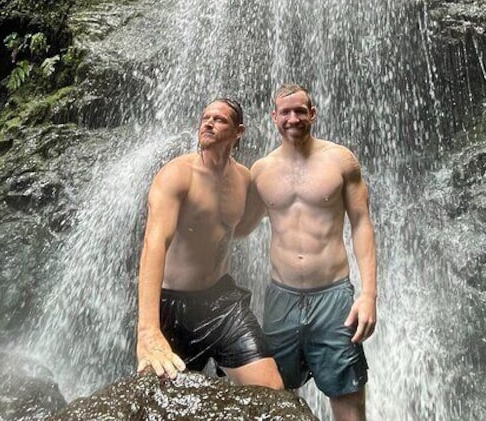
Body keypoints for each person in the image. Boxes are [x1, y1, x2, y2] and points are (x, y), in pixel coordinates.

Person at [236, 84, 377, 421]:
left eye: (300, 111)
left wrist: (369, 295)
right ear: (274, 118)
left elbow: (361, 225)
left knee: (347, 396)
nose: (293, 118)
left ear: (313, 113)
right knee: (277, 398)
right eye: (285, 112)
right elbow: (239, 228)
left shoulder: (341, 160)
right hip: (281, 297)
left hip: (333, 297)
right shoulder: (261, 171)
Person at [135, 98, 283, 389]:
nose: (208, 123)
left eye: (219, 119)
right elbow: (154, 245)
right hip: (171, 305)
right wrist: (148, 329)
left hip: (221, 302)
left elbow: (234, 229)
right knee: (158, 400)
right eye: (205, 118)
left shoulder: (243, 178)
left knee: (271, 391)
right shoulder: (176, 175)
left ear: (238, 131)